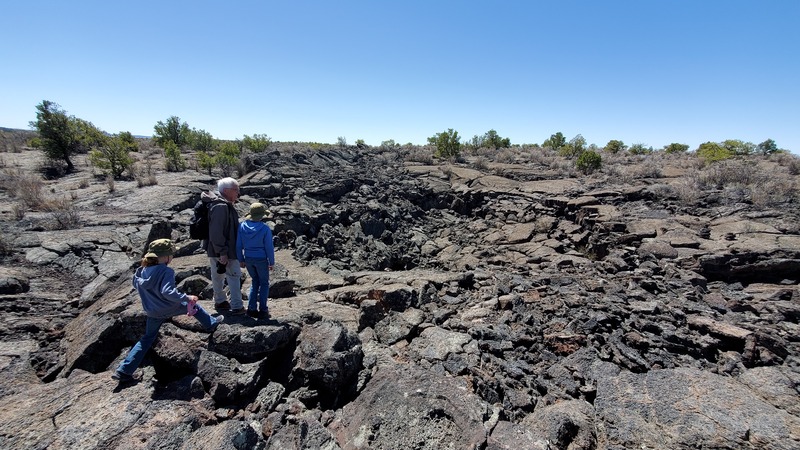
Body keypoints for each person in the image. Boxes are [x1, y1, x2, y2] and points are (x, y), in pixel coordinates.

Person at [113, 239, 224, 383]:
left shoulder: (141, 272)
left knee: (146, 339)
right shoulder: (166, 271)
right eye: (171, 253)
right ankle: (211, 324)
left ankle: (124, 370)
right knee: (194, 306)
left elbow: (136, 284)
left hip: (153, 311)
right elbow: (167, 292)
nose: (172, 256)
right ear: (165, 256)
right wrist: (187, 297)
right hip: (170, 307)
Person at [201, 177, 245, 315]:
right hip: (225, 250)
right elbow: (216, 231)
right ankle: (237, 306)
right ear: (226, 191)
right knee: (233, 275)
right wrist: (223, 252)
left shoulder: (221, 204)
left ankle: (220, 301)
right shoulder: (220, 206)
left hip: (217, 249)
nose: (238, 193)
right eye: (236, 190)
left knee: (218, 275)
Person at [236, 203, 275, 319]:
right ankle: (263, 310)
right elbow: (269, 247)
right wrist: (271, 262)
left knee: (255, 281)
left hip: (248, 258)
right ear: (262, 216)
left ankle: (251, 309)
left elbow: (238, 245)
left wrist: (240, 259)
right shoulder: (265, 228)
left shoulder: (242, 226)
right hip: (261, 259)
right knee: (264, 283)